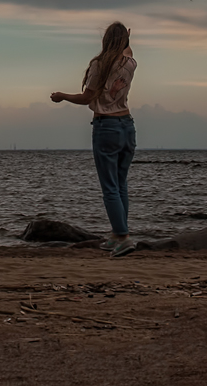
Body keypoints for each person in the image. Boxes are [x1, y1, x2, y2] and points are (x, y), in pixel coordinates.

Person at [51, 21, 137, 258]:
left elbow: (86, 97)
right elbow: (128, 52)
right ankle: (118, 234)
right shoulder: (130, 64)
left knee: (110, 187)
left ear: (105, 40)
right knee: (120, 184)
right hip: (127, 126)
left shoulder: (99, 65)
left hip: (106, 126)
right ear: (125, 42)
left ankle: (124, 237)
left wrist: (61, 96)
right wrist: (128, 40)